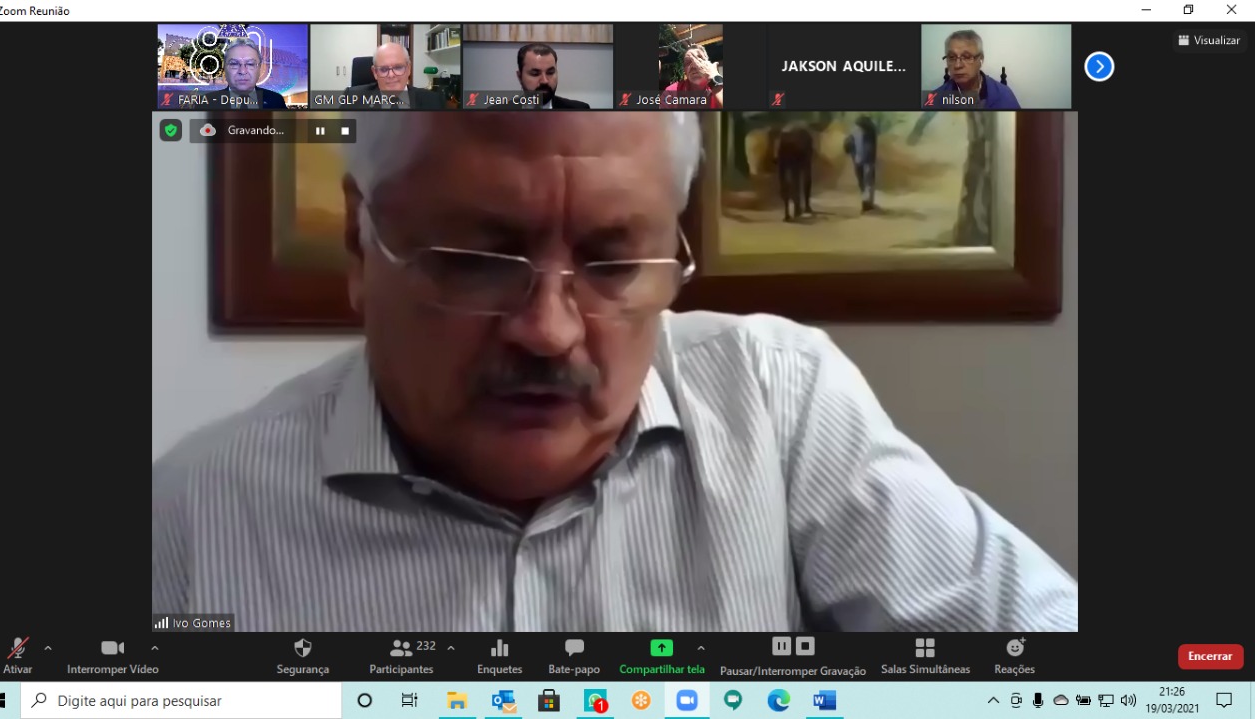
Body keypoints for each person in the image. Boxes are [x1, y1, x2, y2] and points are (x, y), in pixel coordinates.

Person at [152, 111, 1078, 632]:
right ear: (362, 244)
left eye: (612, 262)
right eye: (477, 261)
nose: (549, 331)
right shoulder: (192, 521)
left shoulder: (778, 403)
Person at [930, 29, 1021, 110]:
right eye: (951, 57)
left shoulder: (1004, 96)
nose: (957, 65)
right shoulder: (935, 99)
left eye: (967, 57)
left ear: (981, 59)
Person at [345, 42, 445, 110]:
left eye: (398, 67)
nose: (391, 75)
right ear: (375, 72)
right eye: (384, 69)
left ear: (408, 69)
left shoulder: (434, 101)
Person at [202, 38, 288, 109]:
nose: (242, 71)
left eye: (250, 64)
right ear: (224, 67)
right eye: (234, 64)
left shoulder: (276, 102)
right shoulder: (206, 104)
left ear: (259, 68)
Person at [516, 43, 589, 109]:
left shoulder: (580, 110)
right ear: (520, 77)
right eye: (535, 74)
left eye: (550, 72)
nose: (544, 81)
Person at [660, 44, 723, 108]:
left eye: (699, 59)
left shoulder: (721, 88)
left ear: (708, 64)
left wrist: (714, 78)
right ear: (684, 70)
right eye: (688, 62)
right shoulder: (671, 92)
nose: (693, 65)